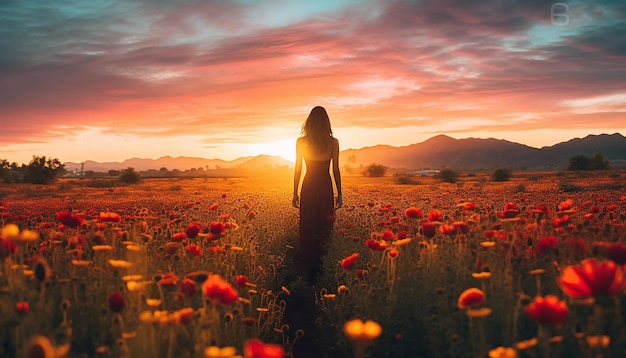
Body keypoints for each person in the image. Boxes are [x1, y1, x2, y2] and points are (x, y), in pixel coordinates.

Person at [292, 106, 342, 283]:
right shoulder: (333, 142)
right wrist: (340, 193)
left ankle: (309, 268)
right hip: (325, 186)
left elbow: (298, 169)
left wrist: (294, 193)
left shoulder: (301, 141)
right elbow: (335, 170)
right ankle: (322, 266)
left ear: (309, 122)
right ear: (326, 122)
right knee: (324, 224)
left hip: (308, 185)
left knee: (308, 224)